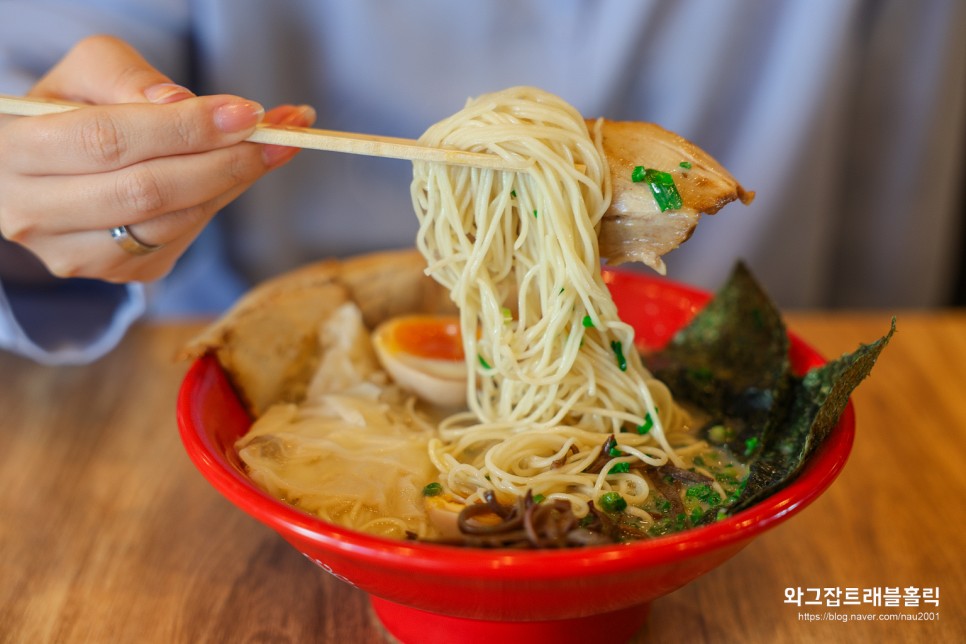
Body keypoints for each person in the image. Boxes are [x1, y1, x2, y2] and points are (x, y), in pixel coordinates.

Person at [1, 0, 964, 365]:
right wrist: (57, 205)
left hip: (724, 364)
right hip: (265, 370)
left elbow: (900, 192)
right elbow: (33, 82)